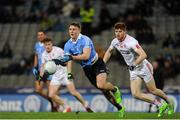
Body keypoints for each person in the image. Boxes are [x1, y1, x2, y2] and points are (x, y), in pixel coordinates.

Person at [53, 22, 125, 117]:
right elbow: (68, 60)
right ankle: (120, 108)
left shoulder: (85, 39)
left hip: (97, 63)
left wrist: (71, 57)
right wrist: (62, 63)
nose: (71, 31)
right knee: (103, 90)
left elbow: (86, 56)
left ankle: (115, 89)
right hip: (87, 69)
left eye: (74, 29)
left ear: (79, 30)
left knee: (101, 85)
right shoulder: (67, 45)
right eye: (70, 29)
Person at [103, 22, 174, 117]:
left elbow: (144, 55)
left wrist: (134, 64)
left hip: (143, 68)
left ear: (125, 31)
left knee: (153, 90)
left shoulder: (131, 42)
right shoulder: (115, 41)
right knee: (135, 94)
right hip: (133, 70)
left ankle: (169, 102)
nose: (118, 33)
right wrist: (102, 64)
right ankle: (160, 105)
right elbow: (109, 52)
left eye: (120, 31)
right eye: (116, 31)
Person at [41, 37, 93, 112]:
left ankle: (86, 105)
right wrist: (41, 75)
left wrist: (69, 73)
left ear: (52, 44)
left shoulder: (59, 50)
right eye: (46, 45)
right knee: (51, 95)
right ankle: (66, 107)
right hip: (56, 76)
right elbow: (43, 66)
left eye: (49, 44)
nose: (48, 46)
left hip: (65, 74)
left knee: (73, 92)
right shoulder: (43, 54)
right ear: (44, 46)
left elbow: (68, 60)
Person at [32, 31, 58, 111]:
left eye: (41, 35)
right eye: (38, 35)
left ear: (45, 35)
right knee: (38, 90)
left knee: (51, 90)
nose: (40, 36)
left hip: (47, 70)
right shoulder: (36, 45)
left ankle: (55, 106)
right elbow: (36, 56)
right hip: (39, 70)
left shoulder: (47, 45)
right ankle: (52, 101)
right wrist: (35, 67)